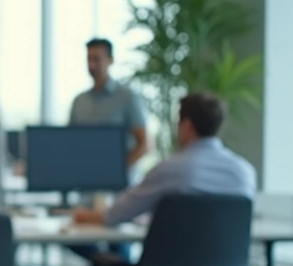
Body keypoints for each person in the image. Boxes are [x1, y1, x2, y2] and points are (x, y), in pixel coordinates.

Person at [72, 92, 255, 228]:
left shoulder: (172, 169)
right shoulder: (245, 173)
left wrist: (84, 215)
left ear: (186, 126)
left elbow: (117, 215)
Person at [70, 38, 148, 166]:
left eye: (97, 59)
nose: (92, 65)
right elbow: (70, 142)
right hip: (86, 181)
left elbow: (144, 144)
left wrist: (118, 170)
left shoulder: (127, 97)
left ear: (110, 60)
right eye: (89, 59)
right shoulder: (79, 101)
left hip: (120, 184)